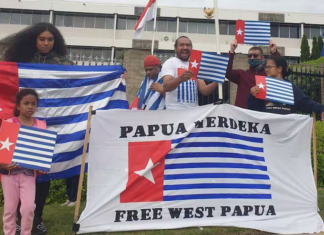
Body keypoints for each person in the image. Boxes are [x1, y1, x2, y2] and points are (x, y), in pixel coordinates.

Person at [2, 22, 74, 235]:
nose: (46, 43)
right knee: (15, 171)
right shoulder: (21, 59)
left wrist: (115, 78)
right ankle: (15, 221)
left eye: (50, 39)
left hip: (49, 122)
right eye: (42, 39)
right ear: (33, 39)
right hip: (19, 124)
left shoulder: (64, 63)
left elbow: (80, 80)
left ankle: (37, 218)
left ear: (56, 41)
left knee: (40, 174)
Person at [0, 89, 47, 235]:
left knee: (28, 208)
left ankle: (26, 232)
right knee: (10, 208)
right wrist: (3, 163)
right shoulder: (10, 123)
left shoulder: (40, 125)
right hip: (10, 174)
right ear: (18, 105)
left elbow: (42, 150)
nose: (30, 106)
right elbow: (3, 149)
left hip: (28, 175)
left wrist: (41, 166)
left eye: (33, 103)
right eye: (26, 103)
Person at [248, 56, 324, 120]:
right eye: (266, 67)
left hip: (285, 131)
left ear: (279, 69)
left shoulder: (290, 87)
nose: (266, 70)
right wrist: (252, 96)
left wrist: (321, 109)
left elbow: (305, 103)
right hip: (266, 129)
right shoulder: (261, 86)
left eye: (269, 67)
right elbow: (254, 110)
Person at [161, 36, 218, 110]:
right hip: (174, 112)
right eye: (181, 45)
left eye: (188, 45)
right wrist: (180, 79)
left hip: (193, 113)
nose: (185, 47)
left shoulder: (195, 64)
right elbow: (166, 87)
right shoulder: (170, 62)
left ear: (191, 48)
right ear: (175, 48)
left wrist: (217, 82)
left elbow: (204, 90)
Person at [226, 39, 280, 109]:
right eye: (249, 55)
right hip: (243, 115)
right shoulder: (242, 75)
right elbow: (227, 72)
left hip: (262, 115)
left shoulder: (268, 75)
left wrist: (274, 52)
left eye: (255, 55)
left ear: (262, 58)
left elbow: (280, 69)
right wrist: (231, 51)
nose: (252, 58)